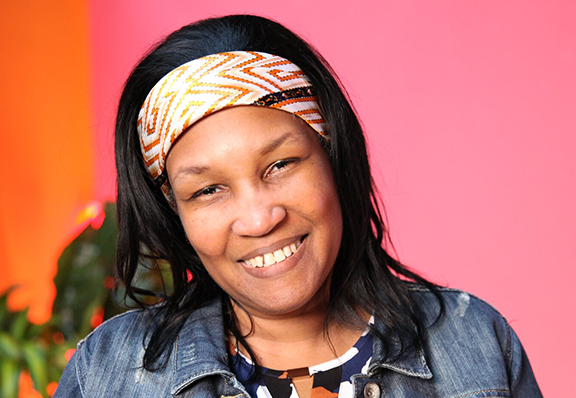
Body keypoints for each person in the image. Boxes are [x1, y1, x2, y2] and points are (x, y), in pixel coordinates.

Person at [55, 15, 542, 398]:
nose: (259, 218)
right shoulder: (108, 374)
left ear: (333, 159)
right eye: (207, 190)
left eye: (282, 164)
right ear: (175, 215)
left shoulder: (475, 344)